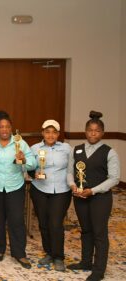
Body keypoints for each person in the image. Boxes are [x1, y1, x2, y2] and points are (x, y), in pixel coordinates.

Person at [66, 111, 120, 281]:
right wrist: (73, 186)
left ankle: (98, 270)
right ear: (85, 131)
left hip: (100, 199)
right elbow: (69, 172)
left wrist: (93, 190)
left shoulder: (109, 152)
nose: (93, 133)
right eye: (90, 130)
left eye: (97, 131)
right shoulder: (76, 150)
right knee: (86, 230)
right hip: (80, 196)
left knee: (99, 233)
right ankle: (85, 262)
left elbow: (114, 178)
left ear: (102, 133)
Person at [0, 111, 34, 269]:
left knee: (17, 220)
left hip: (15, 185)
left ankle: (19, 253)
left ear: (12, 128)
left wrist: (24, 160)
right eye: (1, 127)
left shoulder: (20, 143)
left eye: (7, 126)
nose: (4, 129)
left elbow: (33, 163)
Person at [29, 120, 72, 271]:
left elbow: (73, 167)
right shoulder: (34, 148)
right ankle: (48, 252)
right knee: (43, 223)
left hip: (61, 190)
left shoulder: (66, 148)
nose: (50, 135)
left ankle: (58, 256)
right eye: (47, 132)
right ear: (42, 133)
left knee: (55, 224)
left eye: (54, 132)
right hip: (39, 189)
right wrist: (32, 173)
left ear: (58, 134)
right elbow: (28, 166)